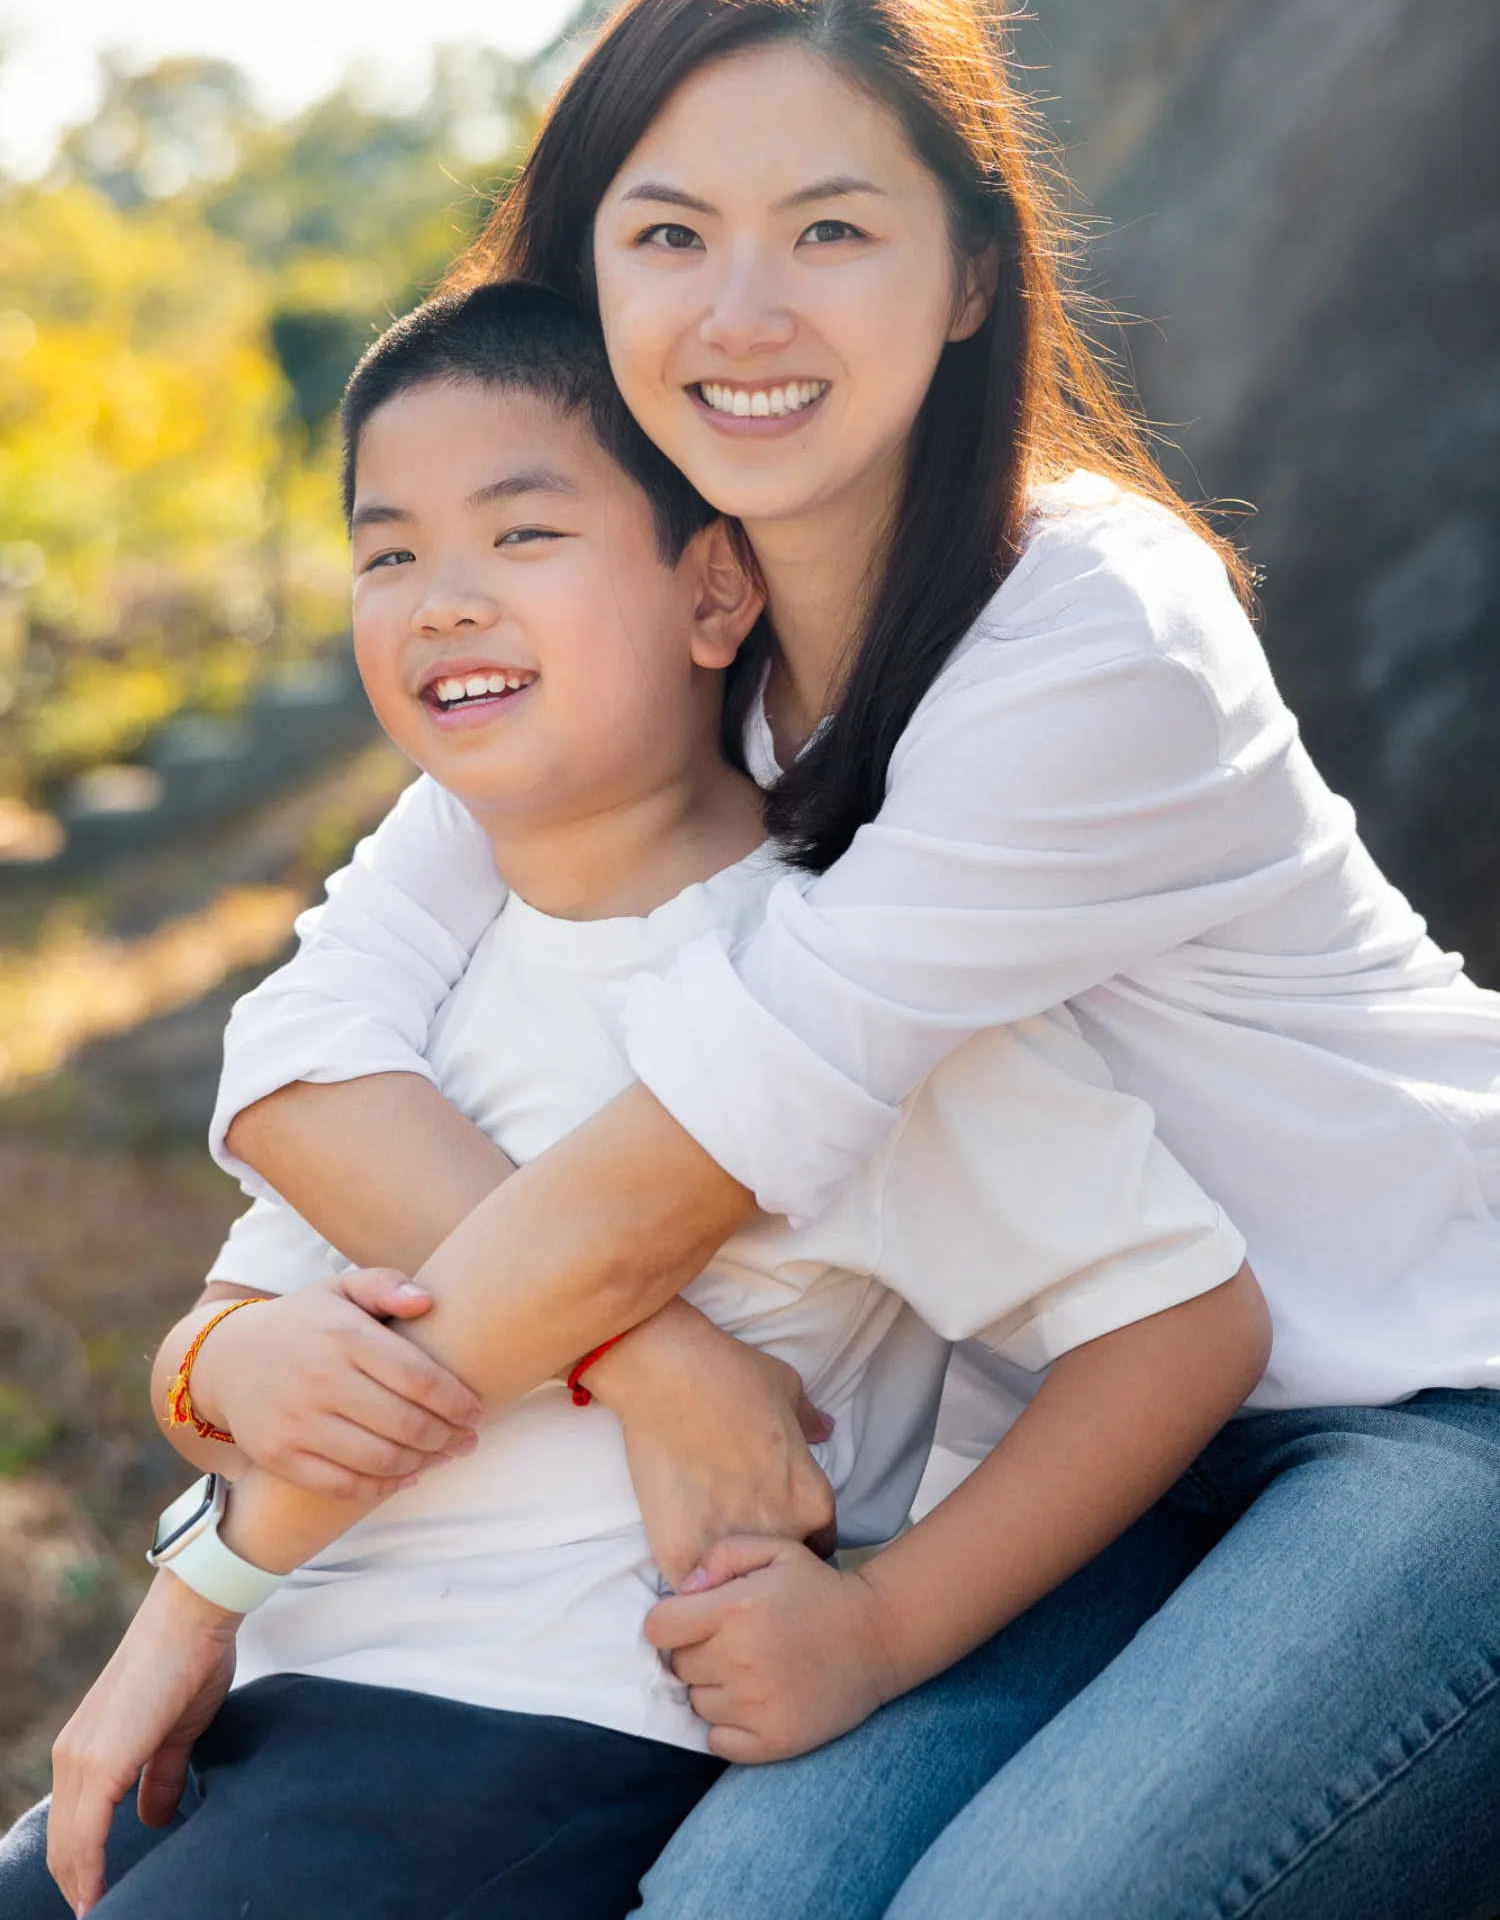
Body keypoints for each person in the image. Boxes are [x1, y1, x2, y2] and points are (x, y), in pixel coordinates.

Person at [46, 0, 1500, 1916]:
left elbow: (666, 1172)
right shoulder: (665, 646)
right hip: (1064, 1461)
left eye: (830, 229)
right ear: (588, 278)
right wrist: (645, 1365)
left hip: (1427, 1405)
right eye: (668, 235)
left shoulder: (1091, 633)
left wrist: (198, 1585)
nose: (745, 311)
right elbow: (309, 1054)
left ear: (971, 269)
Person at [13, 282, 1266, 1919]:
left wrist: (882, 1629)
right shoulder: (432, 971)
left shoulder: (841, 990)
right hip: (277, 1703)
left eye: (521, 535)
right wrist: (240, 1357)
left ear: (715, 591)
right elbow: (237, 1314)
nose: (441, 600)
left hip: (528, 1744)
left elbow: (1182, 1326)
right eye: (389, 553)